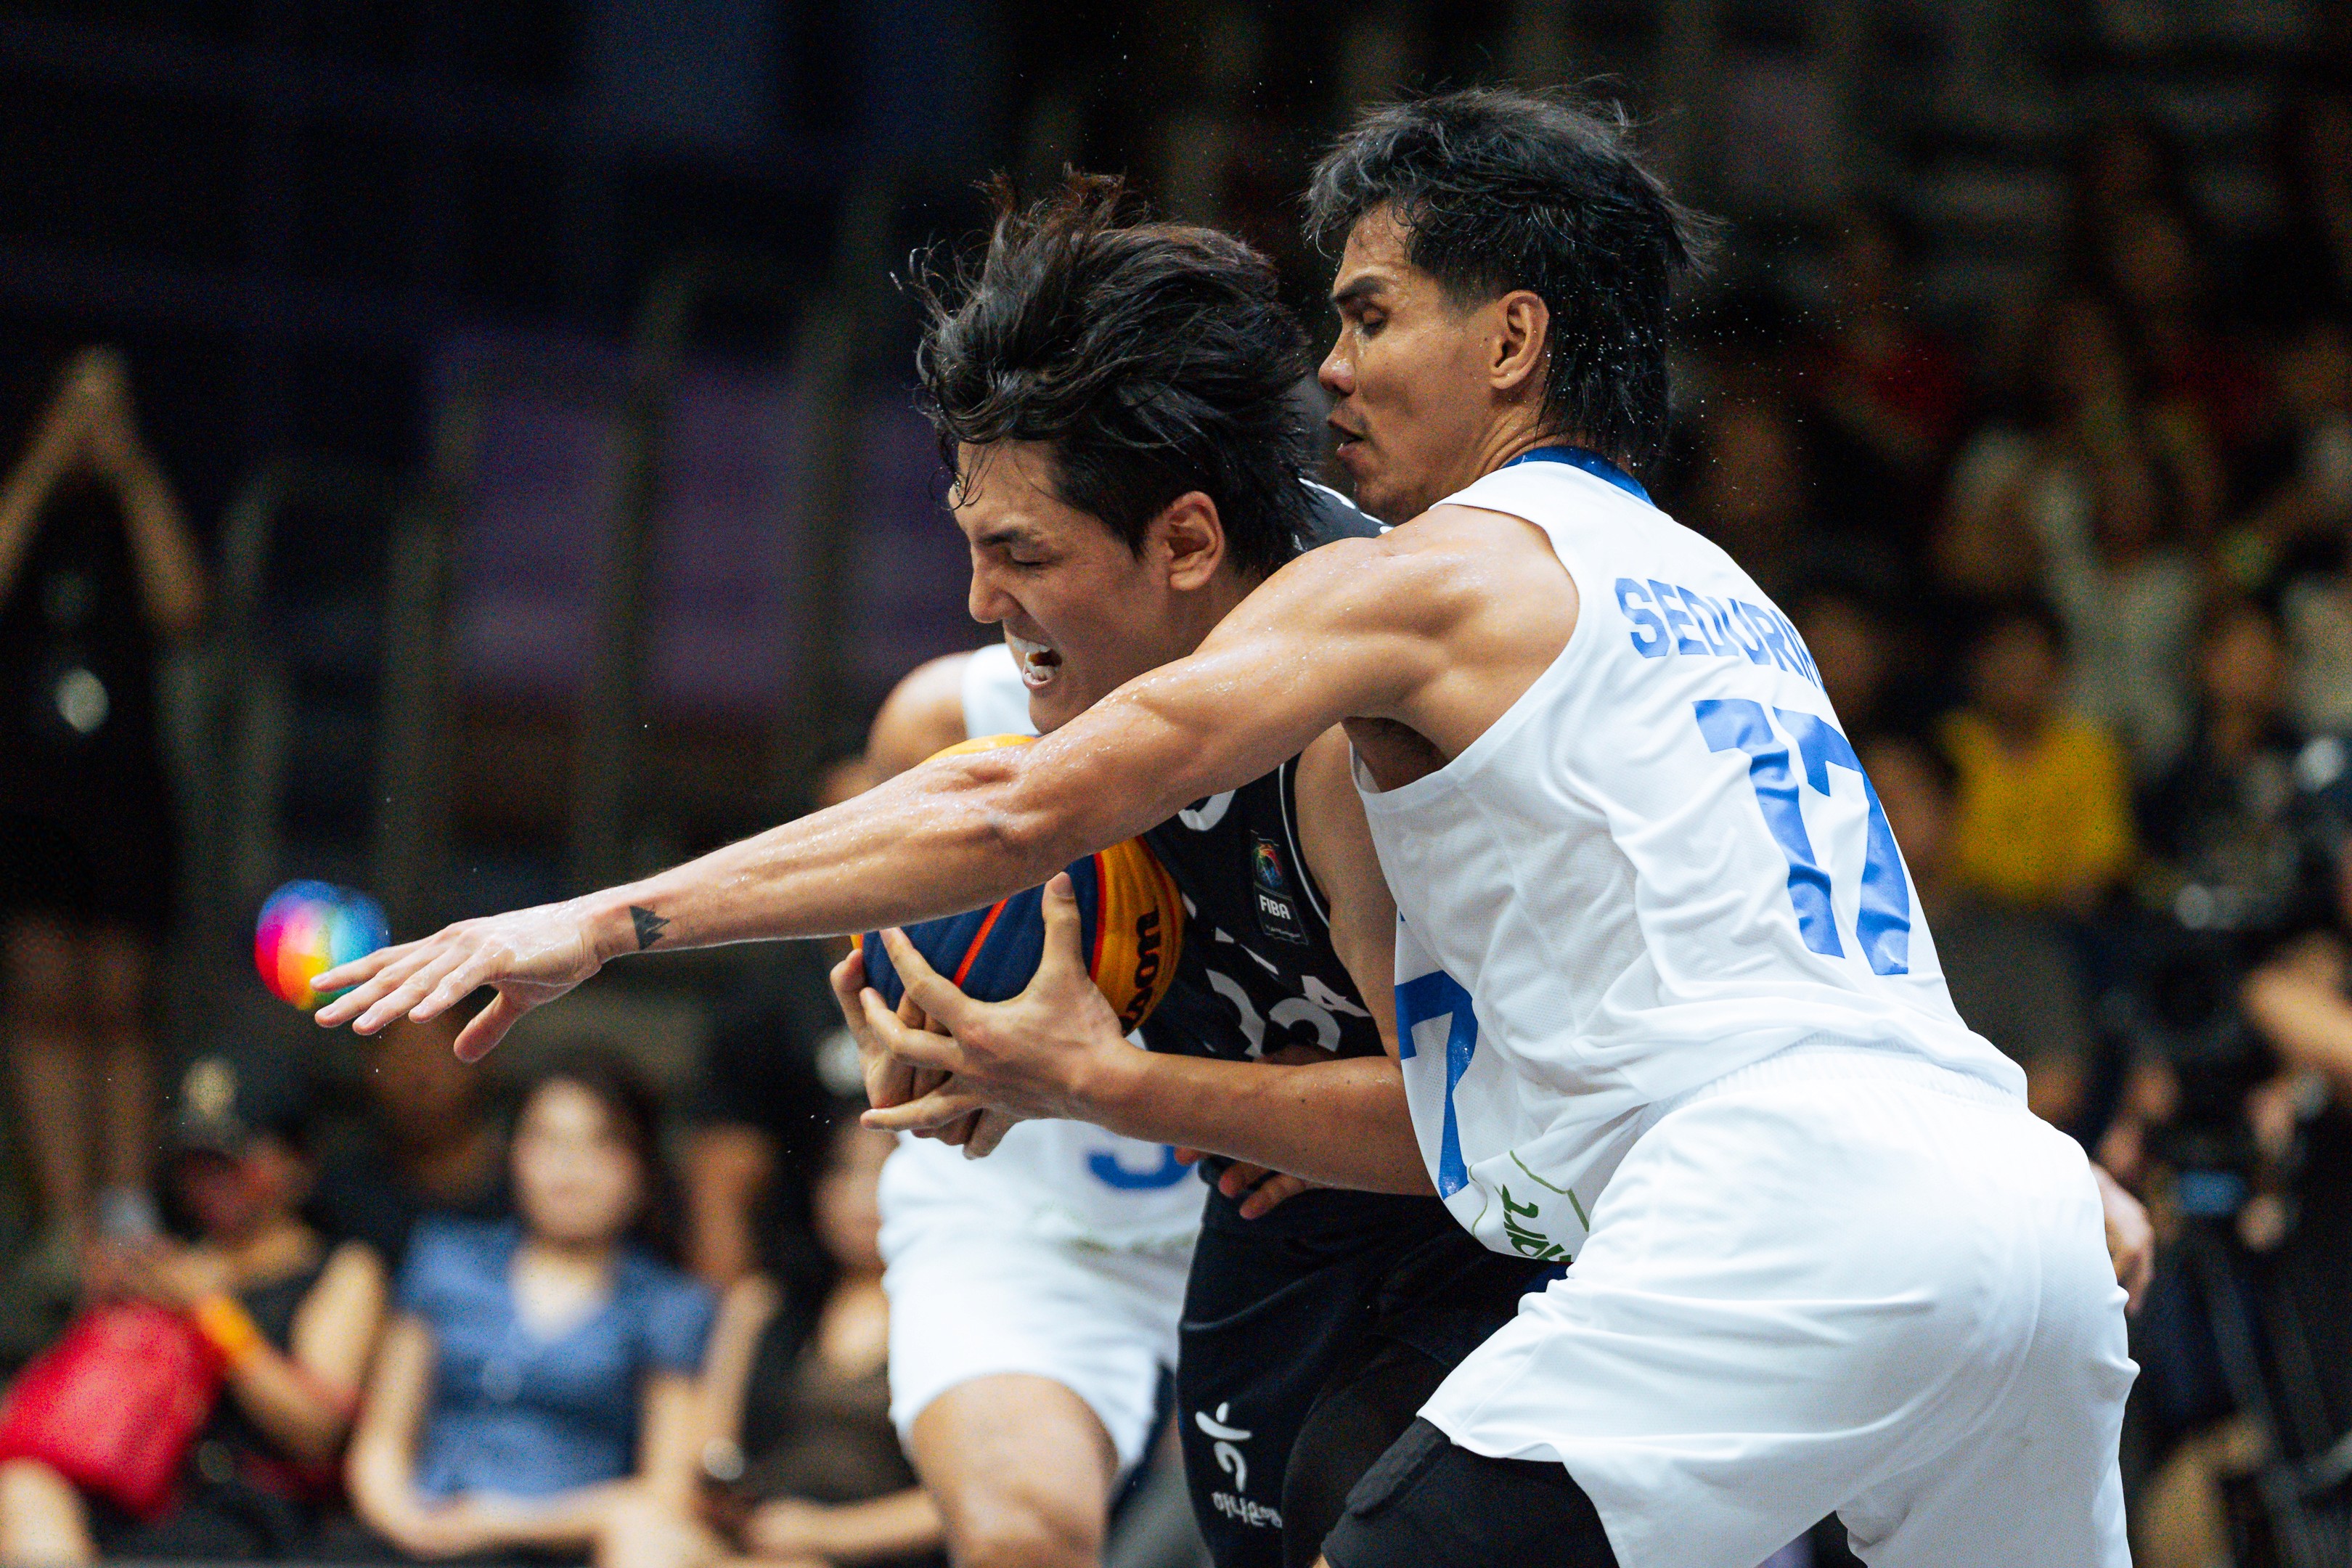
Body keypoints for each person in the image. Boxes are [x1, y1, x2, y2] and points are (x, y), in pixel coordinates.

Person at [315, 89, 2140, 1567]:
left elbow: (1020, 799)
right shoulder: (1721, 597)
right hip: (2012, 1207)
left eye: (1363, 314)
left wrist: (587, 925)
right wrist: (2037, 1184)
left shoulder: (1428, 577)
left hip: (1764, 1217)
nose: (1325, 374)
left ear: (1508, 341)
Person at [850, 181, 1547, 1568]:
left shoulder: (1354, 708)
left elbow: (1497, 1111)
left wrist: (1260, 1102)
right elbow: (896, 932)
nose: (986, 602)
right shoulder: (956, 717)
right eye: (973, 549)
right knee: (1024, 1541)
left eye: (1021, 555)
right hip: (1044, 1222)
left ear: (1181, 544)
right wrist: (921, 1034)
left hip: (1285, 1193)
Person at [0, 1044, 387, 1561]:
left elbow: (314, 1431)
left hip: (252, 1512)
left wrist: (211, 1313)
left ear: (296, 1165)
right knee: (24, 1491)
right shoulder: (167, 1261)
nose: (210, 1181)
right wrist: (111, 1313)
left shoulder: (338, 1268)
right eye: (195, 1162)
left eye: (230, 1161)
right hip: (141, 1490)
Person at [340, 1050, 713, 1564]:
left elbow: (667, 1489)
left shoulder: (670, 1303)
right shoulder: (446, 1258)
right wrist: (407, 1521)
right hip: (414, 1534)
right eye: (547, 1139)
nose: (569, 1165)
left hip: (560, 1548)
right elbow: (382, 1439)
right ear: (513, 1152)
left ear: (643, 1164)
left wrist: (503, 1522)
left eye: (600, 1142)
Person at [0, 346, 207, 1265]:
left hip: (124, 781)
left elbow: (183, 606)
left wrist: (128, 463)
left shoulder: (137, 504)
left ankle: (124, 1211)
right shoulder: (28, 499)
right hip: (27, 778)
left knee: (124, 999)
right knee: (42, 996)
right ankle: (61, 1216)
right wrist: (47, 459)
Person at [680, 1111, 945, 1568]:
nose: (862, 1195)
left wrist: (826, 1534)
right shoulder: (762, 1305)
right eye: (843, 1170)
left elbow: (968, 1502)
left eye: (886, 1168)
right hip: (754, 1540)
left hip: (880, 1555)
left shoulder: (949, 1318)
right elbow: (710, 1448)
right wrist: (720, 1490)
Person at [1937, 598, 2139, 916]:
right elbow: (1935, 854)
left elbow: (2100, 861)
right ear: (1977, 666)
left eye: (2029, 655)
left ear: (2059, 670)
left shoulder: (2091, 750)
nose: (2015, 667)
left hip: (2065, 929)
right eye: (2002, 655)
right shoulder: (1950, 745)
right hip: (1961, 924)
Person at [309, 1009, 511, 1270]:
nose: (418, 1075)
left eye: (435, 1050)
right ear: (370, 1069)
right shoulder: (344, 1195)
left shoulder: (528, 1183)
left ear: (485, 1056)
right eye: (401, 1053)